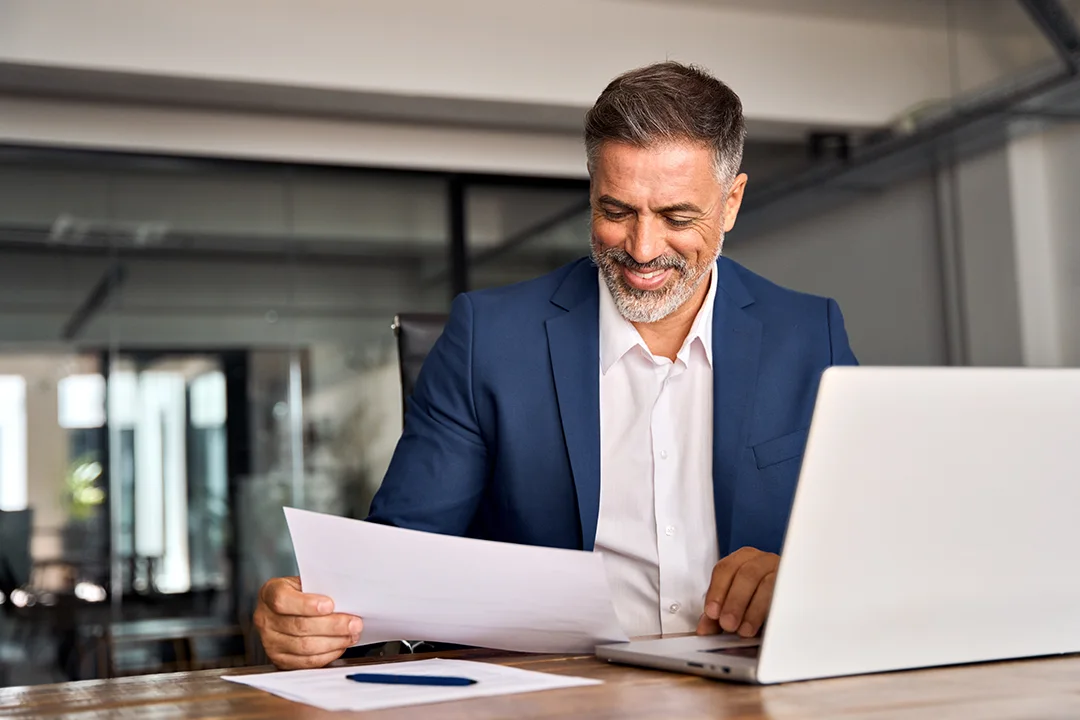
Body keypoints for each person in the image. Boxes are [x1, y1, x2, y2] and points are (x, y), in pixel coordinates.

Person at [254, 61, 858, 670]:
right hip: (555, 691)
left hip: (757, 687)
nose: (642, 249)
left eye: (677, 218)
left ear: (730, 202)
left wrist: (802, 577)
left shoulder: (811, 336)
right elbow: (400, 563)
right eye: (617, 211)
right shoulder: (486, 338)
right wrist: (309, 617)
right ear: (592, 187)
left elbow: (874, 544)